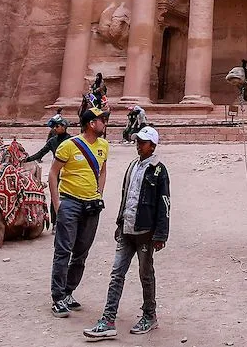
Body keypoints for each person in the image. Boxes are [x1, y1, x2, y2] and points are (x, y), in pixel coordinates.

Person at [82, 126, 170, 340]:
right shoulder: (133, 166)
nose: (138, 145)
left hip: (145, 232)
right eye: (137, 141)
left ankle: (149, 315)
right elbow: (126, 196)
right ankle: (108, 320)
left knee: (145, 274)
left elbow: (164, 204)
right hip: (126, 229)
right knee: (116, 274)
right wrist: (119, 222)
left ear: (153, 146)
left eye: (143, 142)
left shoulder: (159, 170)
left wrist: (161, 235)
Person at [49, 106, 110, 319]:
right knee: (63, 250)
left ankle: (68, 292)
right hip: (70, 202)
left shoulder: (104, 146)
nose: (104, 123)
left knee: (81, 252)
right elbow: (53, 173)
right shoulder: (68, 146)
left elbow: (102, 171)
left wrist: (99, 194)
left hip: (92, 205)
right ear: (91, 124)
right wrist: (57, 204)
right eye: (102, 120)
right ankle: (58, 297)